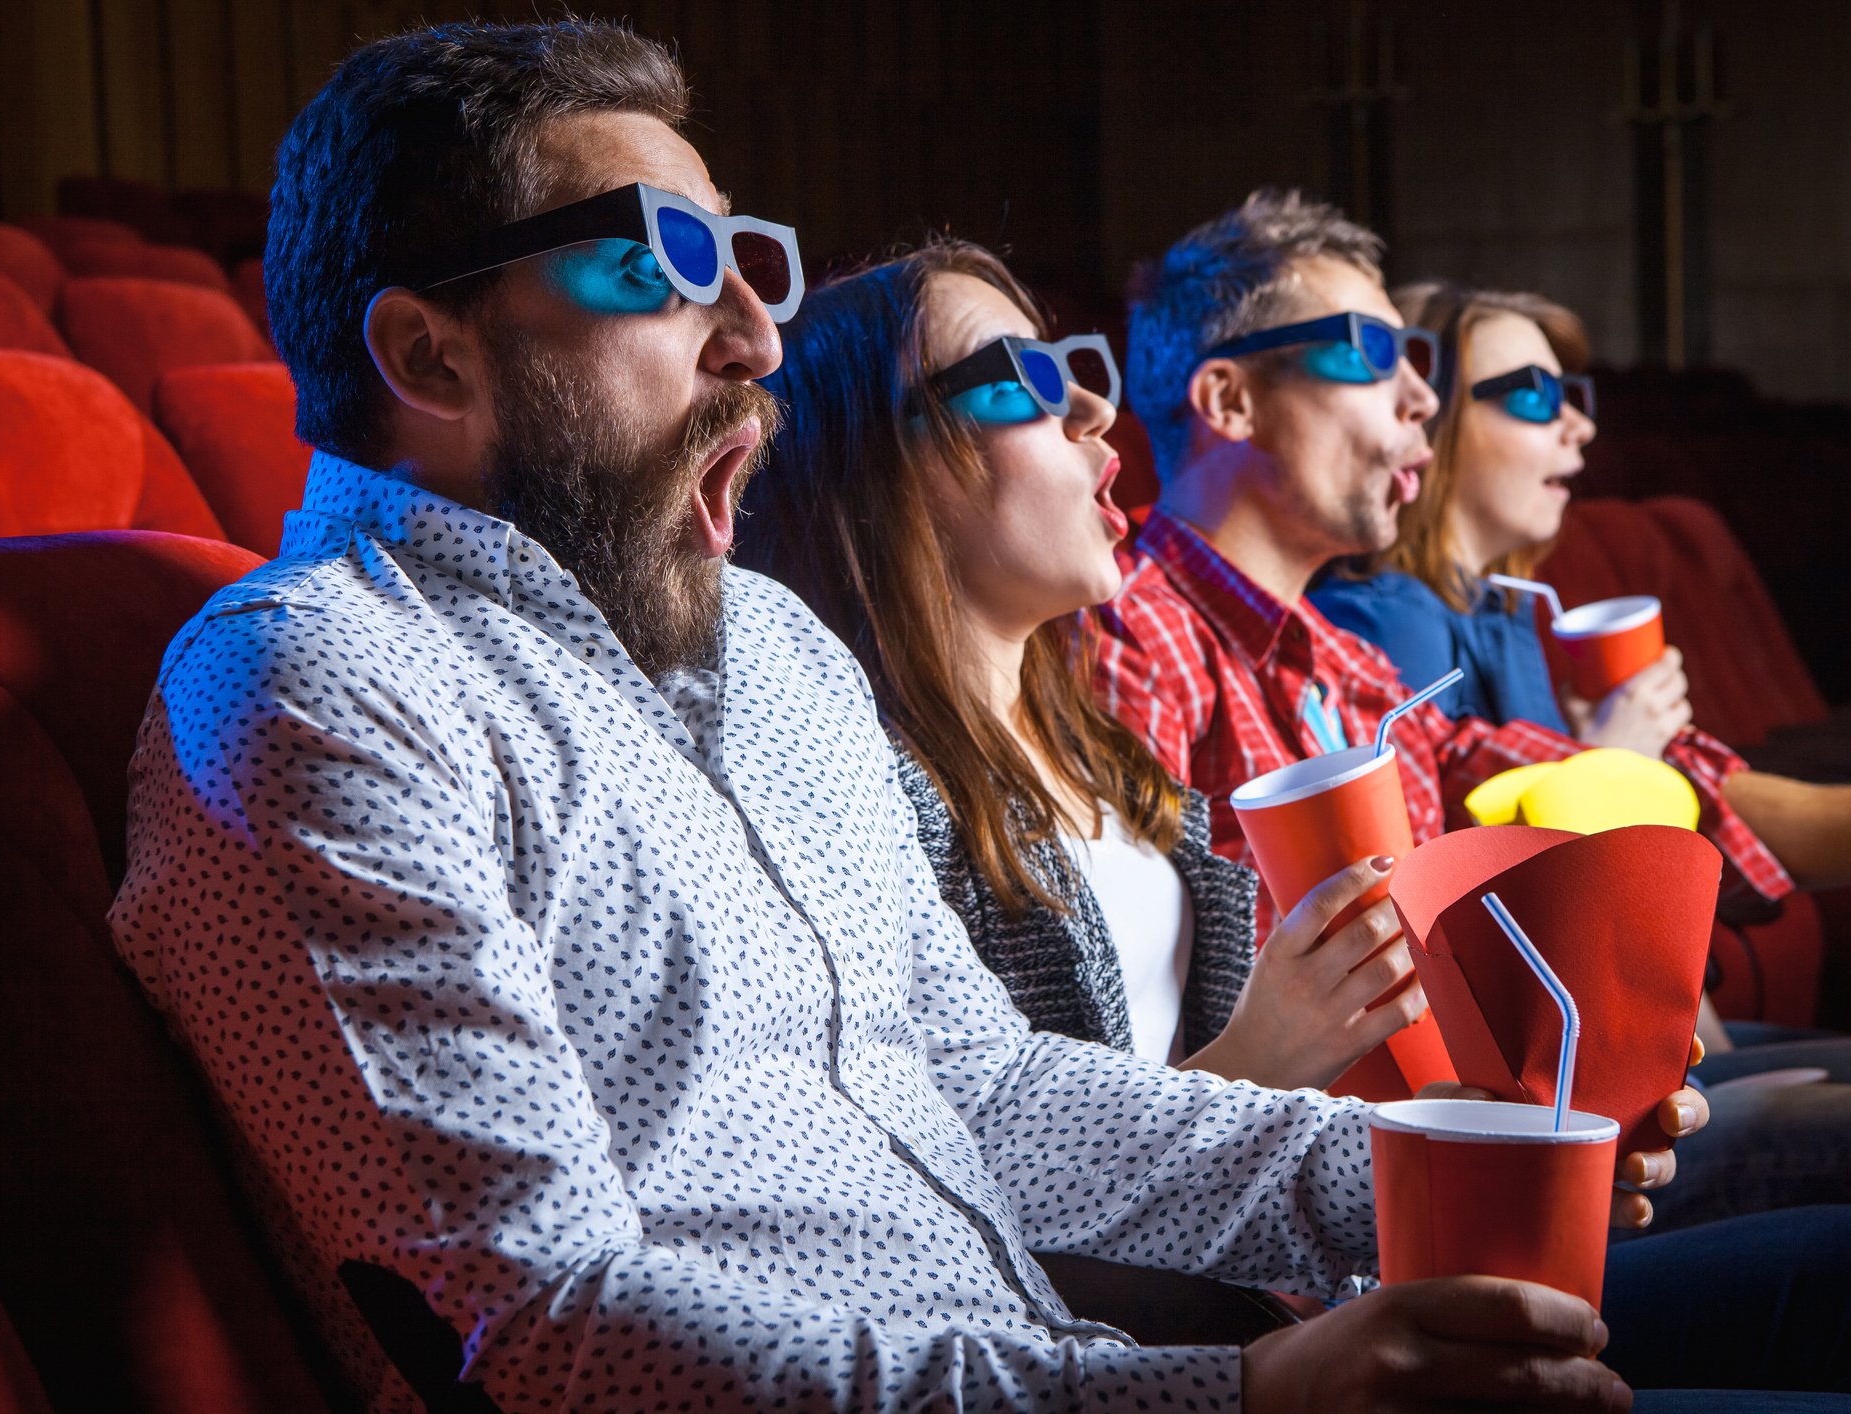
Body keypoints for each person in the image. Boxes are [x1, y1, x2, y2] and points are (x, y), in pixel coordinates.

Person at [110, 22, 1680, 1412]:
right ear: (424, 353)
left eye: (743, 257)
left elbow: (986, 1087)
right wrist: (1234, 1393)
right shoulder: (318, 685)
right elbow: (534, 1328)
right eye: (658, 261)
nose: (756, 335)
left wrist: (1425, 1157)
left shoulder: (772, 645)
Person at [740, 235, 1851, 1406]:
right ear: (877, 462)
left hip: (1350, 1232)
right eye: (1025, 380)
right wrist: (1307, 1067)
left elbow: (1531, 814)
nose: (1095, 416)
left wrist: (1512, 1112)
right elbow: (986, 1193)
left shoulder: (1129, 729)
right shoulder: (970, 746)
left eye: (1077, 372)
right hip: (1249, 1325)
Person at [1102, 193, 1851, 1234]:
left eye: (1421, 361)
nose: (1420, 398)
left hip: (1473, 1137)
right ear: (1227, 399)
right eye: (1372, 353)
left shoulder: (1344, 665)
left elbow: (1660, 790)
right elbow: (1115, 1052)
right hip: (1346, 1209)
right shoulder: (1133, 637)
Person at [1307, 281, 1851, 902]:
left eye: (1572, 397)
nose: (1580, 425)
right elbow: (1445, 888)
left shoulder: (1501, 604)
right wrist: (1610, 755)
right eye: (1534, 396)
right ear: (1425, 418)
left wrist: (1601, 747)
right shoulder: (1388, 618)